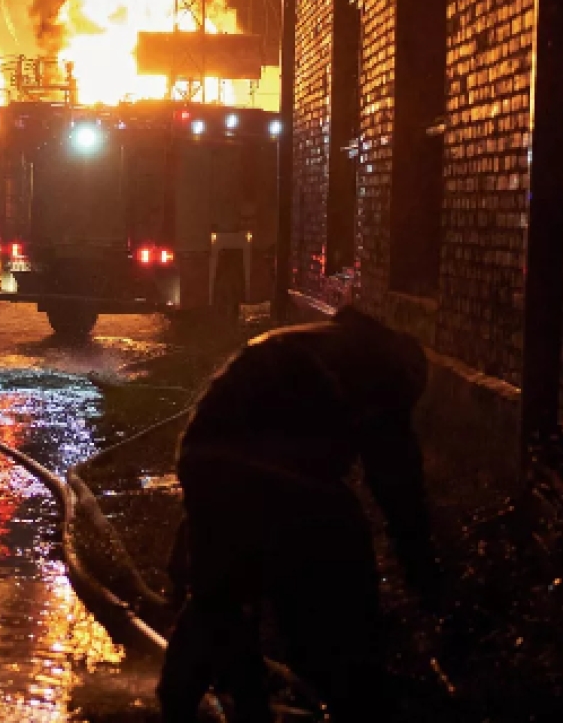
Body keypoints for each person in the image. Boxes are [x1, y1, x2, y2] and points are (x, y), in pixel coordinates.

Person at [158, 309, 443, 723]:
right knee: (336, 571)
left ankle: (187, 701)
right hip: (282, 472)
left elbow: (215, 490)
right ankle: (345, 684)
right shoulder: (385, 374)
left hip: (204, 456)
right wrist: (422, 570)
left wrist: (190, 553)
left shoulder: (315, 340)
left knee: (217, 595)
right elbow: (396, 483)